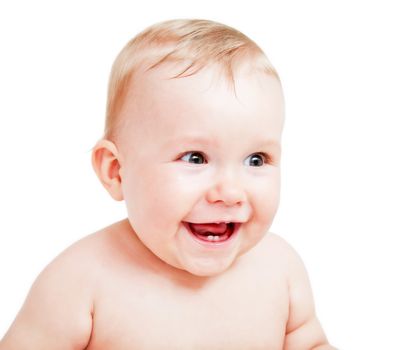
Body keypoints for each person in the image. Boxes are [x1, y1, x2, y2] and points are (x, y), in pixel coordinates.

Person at [0, 19, 336, 349]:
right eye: (195, 158)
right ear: (116, 171)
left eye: (256, 160)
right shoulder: (79, 284)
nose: (231, 192)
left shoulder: (279, 269)